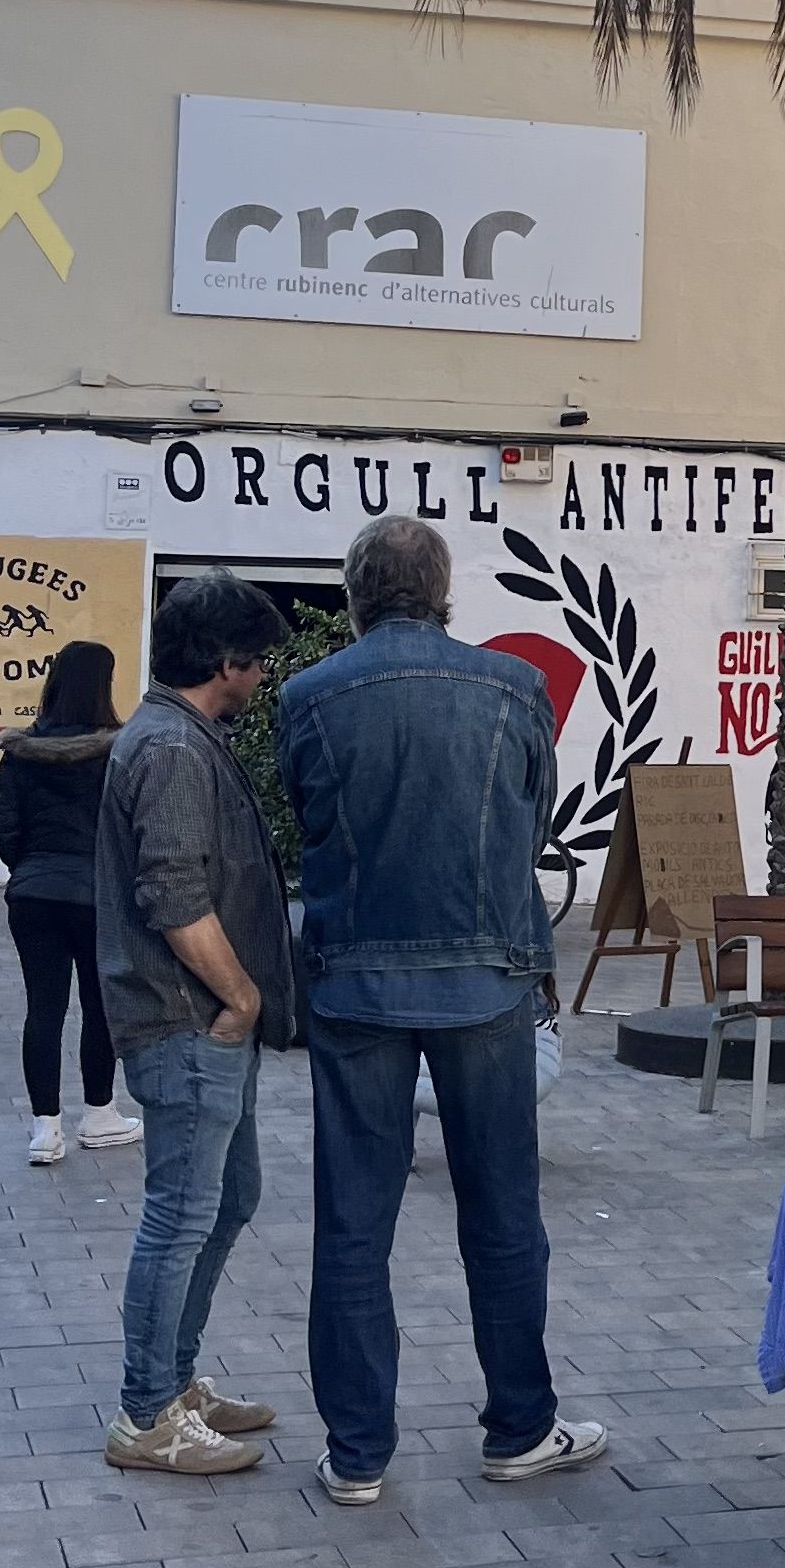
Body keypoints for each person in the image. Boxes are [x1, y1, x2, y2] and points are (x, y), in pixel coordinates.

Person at [278, 517, 603, 1506]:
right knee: (504, 1211)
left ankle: (358, 1451)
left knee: (353, 1221)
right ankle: (518, 1425)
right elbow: (530, 817)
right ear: (443, 588)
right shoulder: (514, 688)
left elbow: (309, 815)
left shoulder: (309, 695)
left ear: (356, 592)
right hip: (488, 977)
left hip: (356, 976)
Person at [96, 571, 295, 1476]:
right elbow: (172, 894)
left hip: (199, 1021)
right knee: (181, 1216)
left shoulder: (178, 736)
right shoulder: (172, 749)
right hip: (188, 1022)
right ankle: (146, 1413)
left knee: (229, 1199)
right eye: (257, 665)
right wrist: (242, 998)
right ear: (226, 661)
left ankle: (172, 1382)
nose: (261, 682)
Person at [0, 640, 144, 1166]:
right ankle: (99, 1113)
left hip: (33, 893)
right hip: (98, 897)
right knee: (99, 1008)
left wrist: (28, 868)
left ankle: (44, 1130)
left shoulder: (22, 751)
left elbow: (1, 827)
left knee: (43, 1010)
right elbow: (134, 827)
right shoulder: (119, 750)